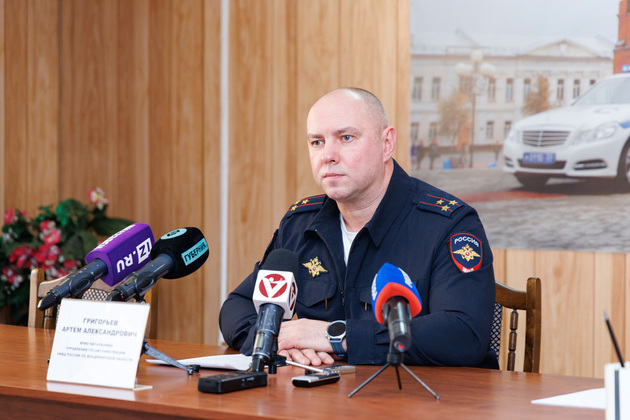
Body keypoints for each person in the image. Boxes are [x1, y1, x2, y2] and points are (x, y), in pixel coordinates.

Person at [219, 88, 497, 369]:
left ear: (386, 143)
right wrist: (277, 339)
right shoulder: (299, 223)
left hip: (418, 393)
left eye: (346, 138)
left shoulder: (448, 224)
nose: (328, 155)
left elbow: (464, 334)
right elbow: (236, 307)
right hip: (323, 393)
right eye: (317, 142)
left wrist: (336, 337)